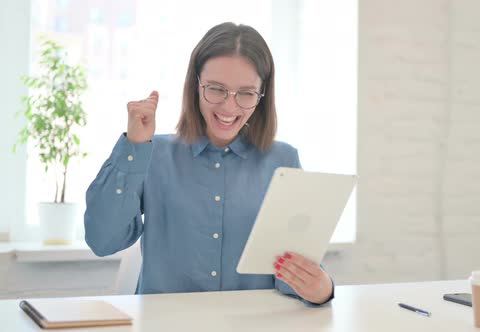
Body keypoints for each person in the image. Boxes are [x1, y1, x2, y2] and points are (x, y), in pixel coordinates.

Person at [84, 22, 334, 305]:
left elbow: (290, 272)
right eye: (216, 89)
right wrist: (134, 147)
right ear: (195, 86)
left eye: (246, 93)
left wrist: (321, 289)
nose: (229, 107)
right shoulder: (151, 155)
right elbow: (103, 241)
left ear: (261, 96)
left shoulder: (284, 161)